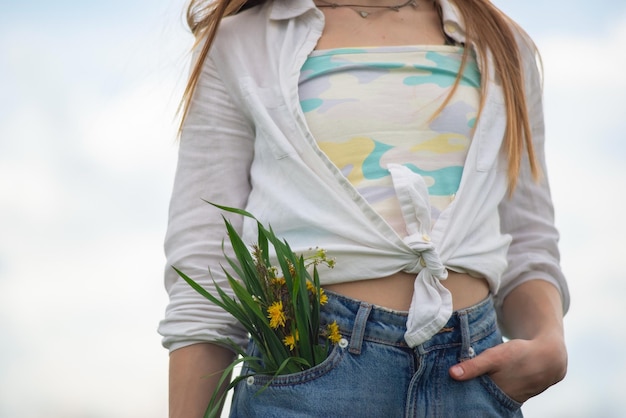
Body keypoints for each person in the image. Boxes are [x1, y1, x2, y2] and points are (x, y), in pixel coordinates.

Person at [158, 0, 570, 416]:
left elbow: (526, 239)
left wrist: (548, 337)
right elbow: (207, 262)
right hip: (306, 372)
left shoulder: (501, 43)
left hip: (473, 373)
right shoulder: (241, 41)